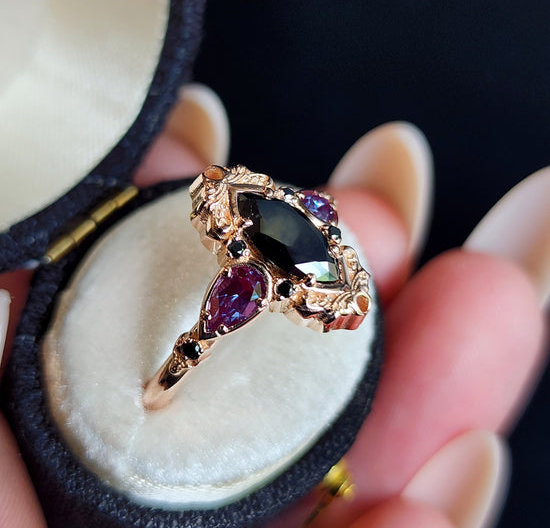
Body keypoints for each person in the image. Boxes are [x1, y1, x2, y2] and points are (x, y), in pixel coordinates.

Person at [0, 87, 548, 528]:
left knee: (471, 295)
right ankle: (168, 378)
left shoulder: (299, 260)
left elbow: (338, 279)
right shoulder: (251, 238)